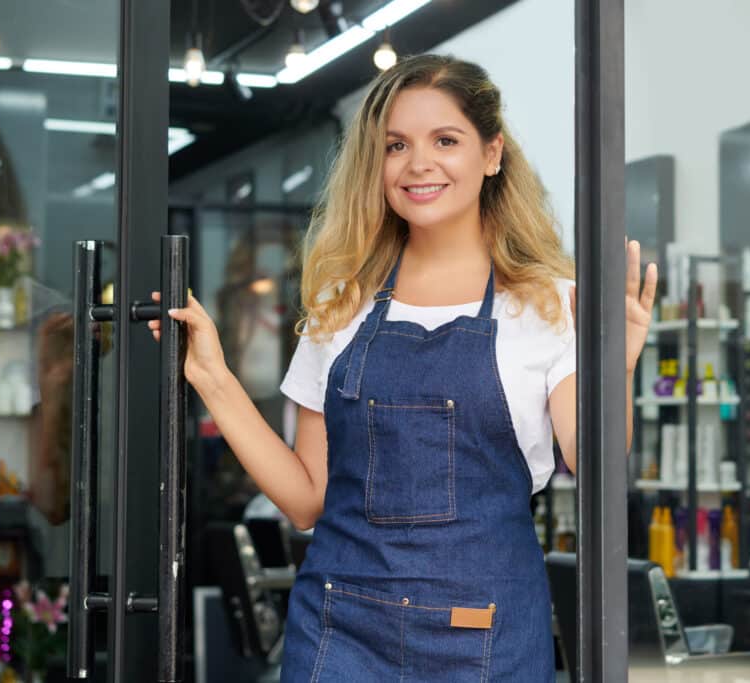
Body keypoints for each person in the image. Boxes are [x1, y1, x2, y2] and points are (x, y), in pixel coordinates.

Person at [149, 53, 657, 682]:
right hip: (341, 634)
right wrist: (213, 378)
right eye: (396, 145)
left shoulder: (549, 303)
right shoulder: (342, 302)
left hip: (485, 635)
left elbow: (594, 465)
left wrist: (618, 366)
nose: (419, 163)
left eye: (446, 140)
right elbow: (307, 499)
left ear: (491, 153)